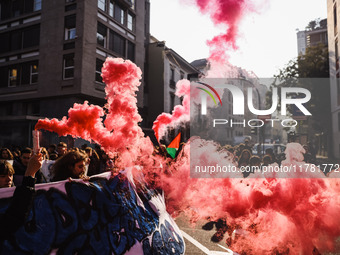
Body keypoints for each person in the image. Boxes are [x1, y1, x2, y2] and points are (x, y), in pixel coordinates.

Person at [0, 153, 42, 241]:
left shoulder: (16, 192)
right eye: (3, 176)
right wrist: (29, 174)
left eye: (10, 175)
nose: (9, 179)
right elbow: (11, 221)